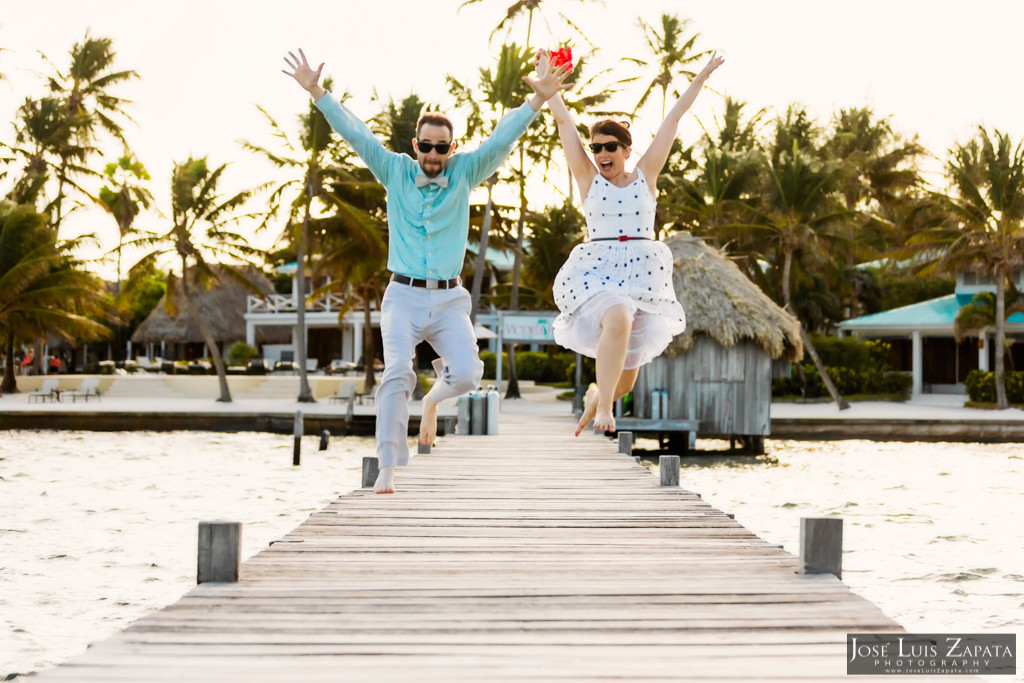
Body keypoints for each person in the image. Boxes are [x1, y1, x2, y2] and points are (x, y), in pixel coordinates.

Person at [283, 49, 572, 493]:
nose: (434, 154)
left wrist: (535, 103)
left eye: (442, 147)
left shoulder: (465, 172)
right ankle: (387, 467)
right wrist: (317, 92)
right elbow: (357, 134)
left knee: (470, 375)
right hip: (403, 295)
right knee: (398, 371)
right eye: (427, 146)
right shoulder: (394, 171)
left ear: (450, 148)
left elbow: (499, 141)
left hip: (450, 298)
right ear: (416, 145)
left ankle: (434, 400)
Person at [542, 50, 725, 436]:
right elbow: (563, 122)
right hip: (599, 267)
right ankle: (605, 409)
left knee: (626, 379)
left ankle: (599, 397)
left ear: (626, 150)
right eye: (597, 147)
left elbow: (674, 119)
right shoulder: (588, 179)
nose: (603, 153)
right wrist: (547, 83)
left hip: (642, 272)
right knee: (618, 316)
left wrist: (703, 74)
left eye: (611, 147)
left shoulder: (646, 175)